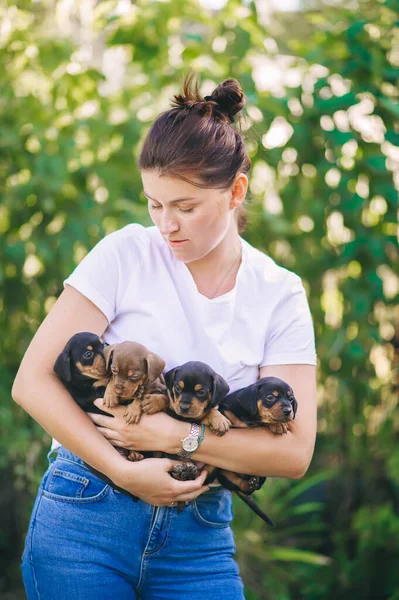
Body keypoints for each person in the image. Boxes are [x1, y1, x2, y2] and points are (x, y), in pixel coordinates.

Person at [12, 73, 317, 600]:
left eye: (185, 207)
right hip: (86, 515)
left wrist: (176, 438)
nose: (166, 225)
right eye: (155, 204)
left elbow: (293, 453)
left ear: (235, 192)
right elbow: (32, 382)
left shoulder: (280, 293)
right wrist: (121, 470)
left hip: (198, 540)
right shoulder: (125, 254)